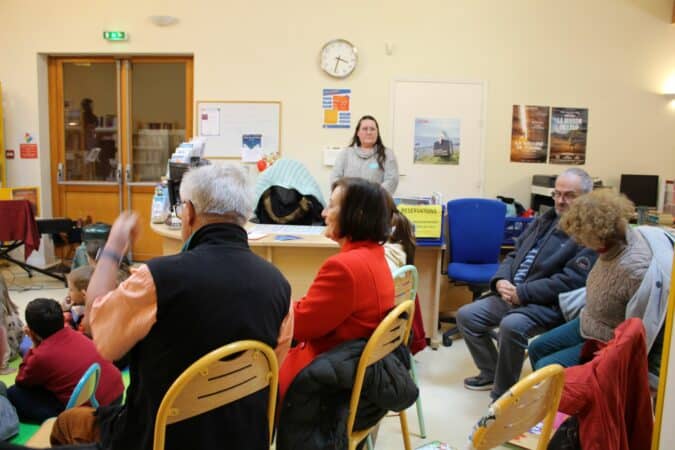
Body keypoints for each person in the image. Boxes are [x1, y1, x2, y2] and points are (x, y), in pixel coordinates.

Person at [50, 164, 292, 450]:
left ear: (188, 213)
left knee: (67, 424)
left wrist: (114, 247)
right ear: (245, 218)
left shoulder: (156, 278)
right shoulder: (280, 285)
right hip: (242, 437)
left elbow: (98, 330)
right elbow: (271, 365)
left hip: (159, 436)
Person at [456, 168, 597, 402]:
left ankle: (503, 396)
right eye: (557, 194)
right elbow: (514, 255)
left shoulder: (590, 233)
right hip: (513, 293)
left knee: (512, 326)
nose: (561, 201)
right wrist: (500, 280)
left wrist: (522, 293)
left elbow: (570, 281)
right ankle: (491, 371)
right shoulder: (546, 219)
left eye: (569, 195)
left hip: (546, 304)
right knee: (467, 316)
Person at [279, 177, 394, 400]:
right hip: (354, 370)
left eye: (331, 206)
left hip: (325, 380)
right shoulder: (374, 255)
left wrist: (276, 302)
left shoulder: (344, 267)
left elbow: (301, 326)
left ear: (356, 215)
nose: (323, 213)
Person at [528, 190, 659, 370]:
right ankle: (552, 396)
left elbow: (636, 330)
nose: (580, 243)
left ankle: (564, 396)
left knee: (547, 367)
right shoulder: (610, 243)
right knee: (536, 347)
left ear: (601, 234)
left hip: (607, 339)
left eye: (582, 238)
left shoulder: (634, 268)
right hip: (589, 321)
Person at [7, 298, 124, 423]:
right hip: (117, 395)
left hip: (91, 413)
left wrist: (34, 345)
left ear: (31, 332)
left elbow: (21, 380)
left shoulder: (40, 356)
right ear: (62, 320)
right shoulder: (76, 334)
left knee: (13, 393)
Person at [330, 115, 399, 194]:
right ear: (358, 133)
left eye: (372, 129)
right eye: (365, 129)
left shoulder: (387, 154)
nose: (369, 132)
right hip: (349, 201)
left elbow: (392, 180)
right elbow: (335, 178)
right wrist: (345, 194)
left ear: (377, 133)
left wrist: (373, 196)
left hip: (376, 201)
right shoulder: (345, 153)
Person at [0, 277, 23, 375]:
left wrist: (3, 366)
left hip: (7, 353)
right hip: (15, 347)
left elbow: (2, 338)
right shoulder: (6, 304)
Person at [61, 265, 94, 330]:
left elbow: (74, 334)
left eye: (71, 290)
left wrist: (64, 312)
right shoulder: (78, 304)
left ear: (84, 294)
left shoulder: (88, 318)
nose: (68, 293)